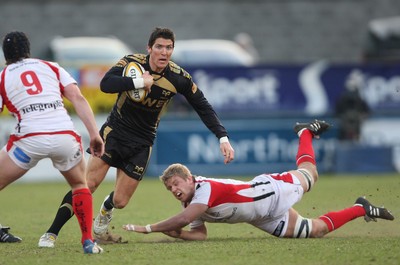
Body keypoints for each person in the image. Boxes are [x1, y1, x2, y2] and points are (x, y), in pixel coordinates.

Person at [38, 27, 235, 247]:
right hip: (115, 132)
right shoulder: (131, 63)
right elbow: (106, 84)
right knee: (87, 185)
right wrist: (139, 82)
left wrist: (222, 137)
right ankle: (51, 233)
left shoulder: (178, 77)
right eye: (159, 47)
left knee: (121, 201)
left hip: (142, 142)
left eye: (169, 48)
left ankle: (105, 212)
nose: (164, 52)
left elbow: (202, 106)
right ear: (149, 48)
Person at [122, 120, 394, 240]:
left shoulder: (204, 189)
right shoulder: (191, 204)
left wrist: (148, 228)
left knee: (312, 174)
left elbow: (184, 219)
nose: (174, 190)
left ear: (189, 179)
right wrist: (179, 235)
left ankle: (304, 134)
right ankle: (361, 208)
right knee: (316, 231)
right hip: (263, 217)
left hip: (271, 192)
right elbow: (199, 235)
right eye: (170, 188)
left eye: (176, 184)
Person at [0, 31, 104, 254]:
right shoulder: (51, 66)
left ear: (5, 54)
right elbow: (77, 97)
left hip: (28, 141)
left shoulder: (3, 76)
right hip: (64, 137)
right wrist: (94, 134)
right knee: (79, 185)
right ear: (29, 49)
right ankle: (88, 241)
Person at [335, 69, 370, 141]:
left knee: (355, 129)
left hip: (356, 124)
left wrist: (362, 116)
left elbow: (367, 111)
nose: (352, 92)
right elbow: (337, 112)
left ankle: (355, 138)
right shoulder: (343, 99)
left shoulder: (360, 99)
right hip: (344, 125)